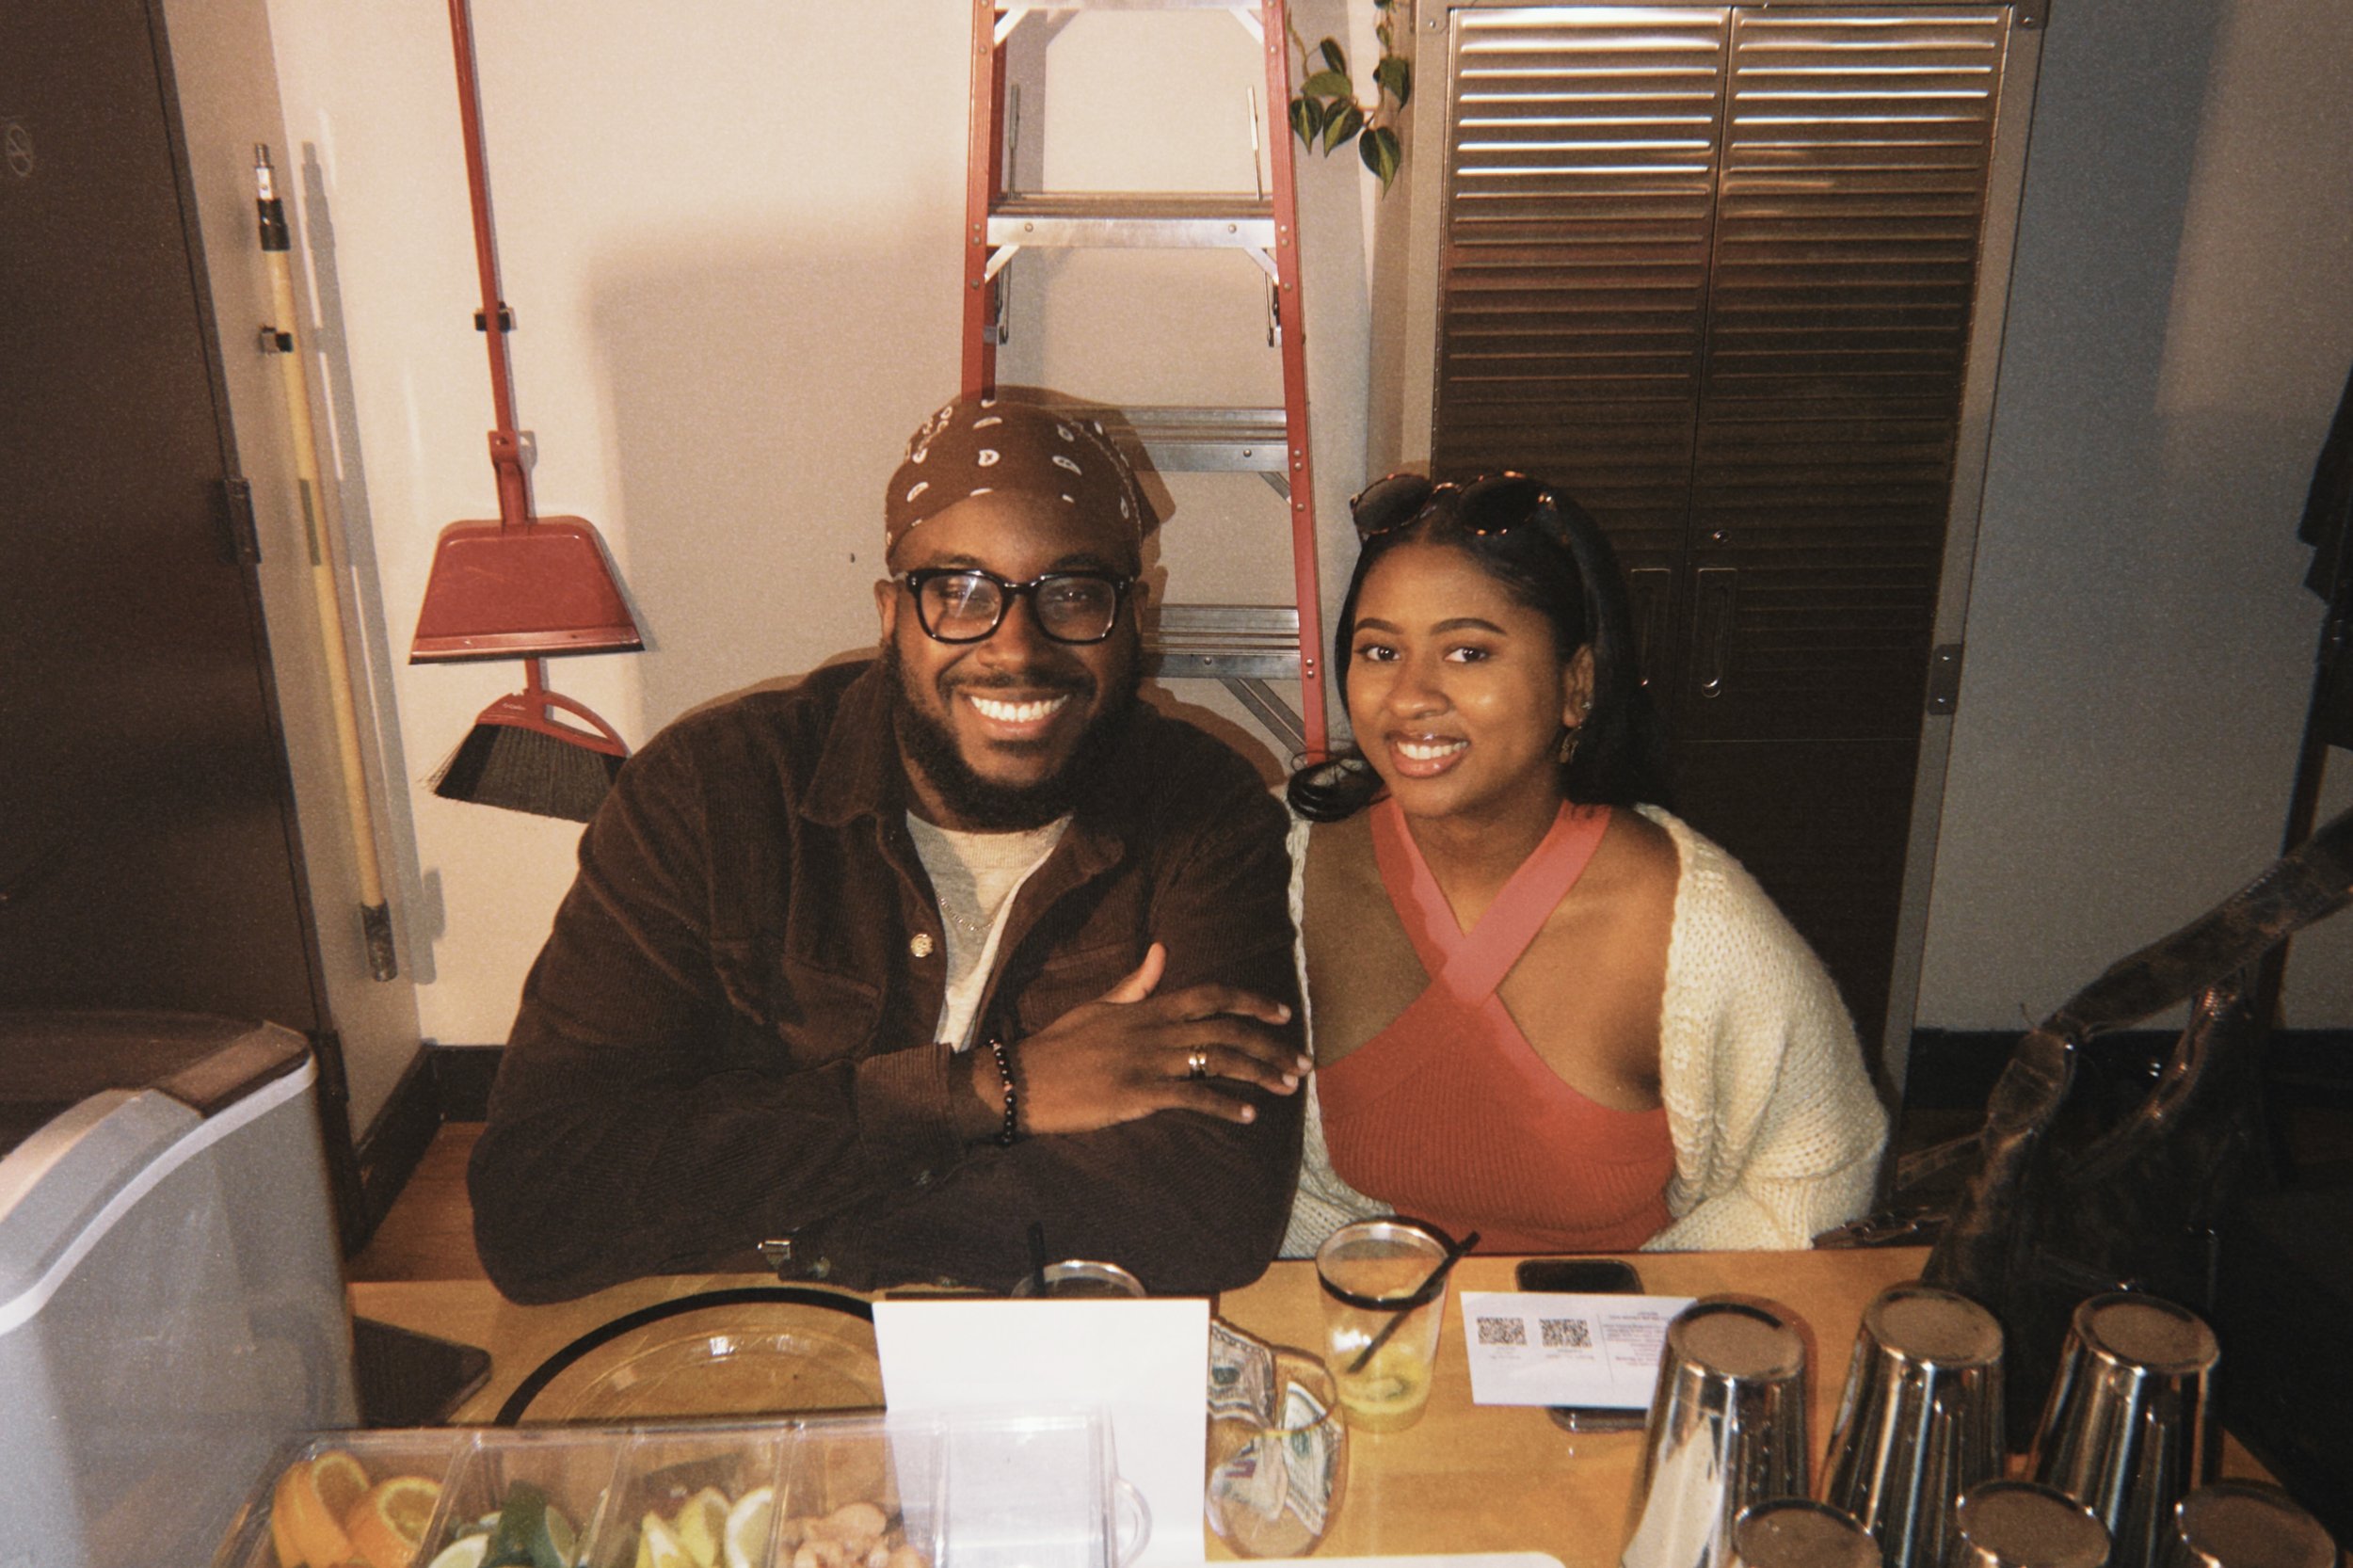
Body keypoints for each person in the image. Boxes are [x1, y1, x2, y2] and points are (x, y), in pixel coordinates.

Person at [469, 393, 1310, 1304]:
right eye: (961, 593)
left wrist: (793, 1224)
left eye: (1072, 596)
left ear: (1135, 615)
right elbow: (540, 1203)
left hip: (1042, 1347)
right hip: (747, 1342)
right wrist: (989, 1090)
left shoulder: (1204, 813)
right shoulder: (710, 792)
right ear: (890, 613)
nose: (1015, 648)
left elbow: (1212, 1210)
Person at [1279, 472, 1886, 1256]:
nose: (1409, 696)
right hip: (1365, 1313)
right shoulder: (1281, 865)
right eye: (1381, 651)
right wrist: (1369, 1282)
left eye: (1468, 652)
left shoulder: (1687, 924)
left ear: (1578, 684)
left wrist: (1619, 1303)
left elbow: (1816, 1178)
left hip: (1625, 1318)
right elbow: (1254, 1166)